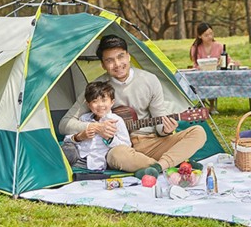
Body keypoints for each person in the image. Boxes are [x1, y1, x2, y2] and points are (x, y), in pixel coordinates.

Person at [59, 35, 207, 179]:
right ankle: (175, 163)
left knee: (198, 132)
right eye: (110, 60)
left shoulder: (149, 80)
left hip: (152, 142)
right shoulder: (97, 89)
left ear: (129, 56)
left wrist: (165, 130)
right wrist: (96, 128)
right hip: (120, 149)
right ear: (103, 65)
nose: (117, 64)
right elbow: (64, 124)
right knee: (117, 156)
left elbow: (160, 122)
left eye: (121, 56)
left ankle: (158, 167)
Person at [61, 81, 131, 171]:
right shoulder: (84, 119)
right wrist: (79, 137)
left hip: (98, 162)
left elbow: (127, 146)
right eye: (95, 101)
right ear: (88, 105)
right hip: (78, 159)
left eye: (104, 100)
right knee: (65, 149)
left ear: (112, 102)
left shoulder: (116, 121)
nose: (100, 105)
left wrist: (110, 139)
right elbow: (67, 139)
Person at [189, 22, 234, 114]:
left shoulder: (219, 46)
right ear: (200, 36)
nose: (209, 37)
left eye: (211, 34)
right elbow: (195, 64)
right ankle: (202, 104)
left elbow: (229, 60)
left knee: (212, 78)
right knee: (202, 79)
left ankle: (212, 106)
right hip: (201, 74)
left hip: (216, 75)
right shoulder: (195, 48)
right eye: (206, 35)